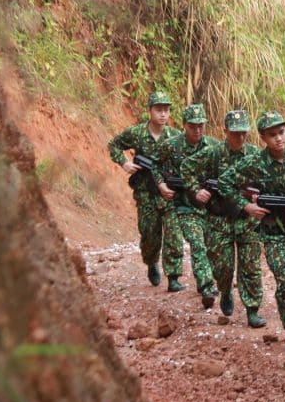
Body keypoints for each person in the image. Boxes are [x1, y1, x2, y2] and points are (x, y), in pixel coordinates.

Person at [218, 111, 285, 353]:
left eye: (281, 132)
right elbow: (224, 182)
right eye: (272, 135)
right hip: (274, 235)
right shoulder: (256, 162)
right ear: (263, 137)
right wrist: (247, 206)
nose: (278, 139)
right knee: (284, 281)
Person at [180, 109, 265, 326]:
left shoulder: (256, 155)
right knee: (223, 267)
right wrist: (196, 190)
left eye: (244, 132)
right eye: (235, 132)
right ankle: (225, 291)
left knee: (251, 266)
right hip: (219, 220)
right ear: (225, 131)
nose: (240, 137)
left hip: (247, 221)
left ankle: (252, 309)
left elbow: (267, 180)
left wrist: (259, 196)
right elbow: (187, 167)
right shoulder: (213, 153)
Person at [108, 90, 184, 288]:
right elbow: (114, 145)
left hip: (168, 193)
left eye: (166, 110)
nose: (163, 114)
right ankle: (151, 262)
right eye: (158, 110)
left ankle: (173, 277)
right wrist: (124, 163)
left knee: (174, 234)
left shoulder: (176, 136)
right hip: (145, 193)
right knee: (149, 234)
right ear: (150, 111)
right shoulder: (137, 133)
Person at [152, 103, 219, 302]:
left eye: (201, 125)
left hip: (208, 207)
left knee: (211, 246)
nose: (197, 130)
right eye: (192, 126)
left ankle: (210, 279)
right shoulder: (171, 146)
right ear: (184, 125)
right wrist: (162, 185)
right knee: (194, 243)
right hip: (182, 204)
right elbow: (154, 164)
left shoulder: (214, 147)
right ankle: (204, 286)